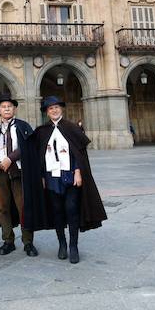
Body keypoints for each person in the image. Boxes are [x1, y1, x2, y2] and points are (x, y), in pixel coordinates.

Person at [34, 96, 107, 264]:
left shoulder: (72, 128)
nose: (54, 110)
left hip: (70, 175)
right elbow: (40, 157)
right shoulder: (42, 131)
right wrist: (42, 177)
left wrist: (78, 172)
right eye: (50, 108)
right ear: (47, 112)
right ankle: (62, 244)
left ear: (61, 109)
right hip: (52, 176)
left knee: (72, 210)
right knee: (57, 211)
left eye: (57, 107)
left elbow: (79, 154)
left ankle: (74, 246)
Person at [0, 95, 47, 256]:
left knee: (23, 207)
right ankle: (8, 240)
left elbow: (27, 146)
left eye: (9, 107)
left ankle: (28, 242)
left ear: (14, 109)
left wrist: (10, 159)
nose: (6, 109)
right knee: (2, 208)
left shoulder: (22, 126)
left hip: (18, 173)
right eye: (3, 107)